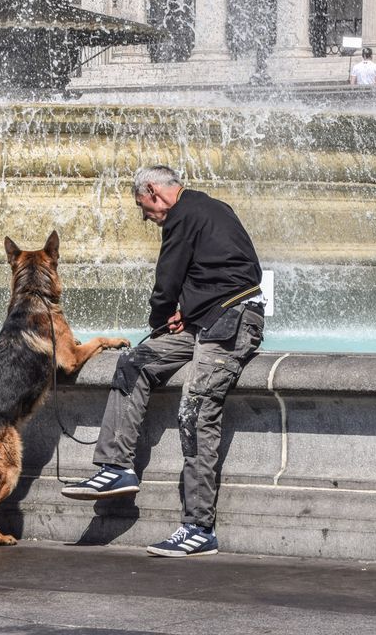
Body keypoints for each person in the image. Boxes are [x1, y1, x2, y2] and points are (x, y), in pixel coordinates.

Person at [61, 166, 265, 557]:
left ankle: (199, 528)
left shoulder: (185, 213)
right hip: (205, 318)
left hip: (234, 320)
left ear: (154, 191)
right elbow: (216, 271)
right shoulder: (207, 210)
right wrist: (186, 313)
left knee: (196, 409)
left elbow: (168, 279)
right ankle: (115, 468)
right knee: (134, 361)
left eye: (144, 208)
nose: (147, 218)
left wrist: (161, 318)